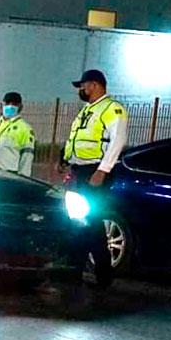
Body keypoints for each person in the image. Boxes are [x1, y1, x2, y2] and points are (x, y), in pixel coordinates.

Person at [60, 69, 128, 287]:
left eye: (83, 85)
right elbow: (77, 139)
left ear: (95, 85)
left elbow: (118, 140)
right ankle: (75, 270)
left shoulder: (112, 109)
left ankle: (102, 275)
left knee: (91, 223)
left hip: (95, 172)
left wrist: (102, 171)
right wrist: (66, 160)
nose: (81, 89)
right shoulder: (87, 110)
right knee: (77, 221)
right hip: (80, 171)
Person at [0, 92, 36, 176]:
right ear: (2, 104)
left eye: (14, 104)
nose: (10, 106)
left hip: (9, 175)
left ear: (20, 107)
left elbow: (27, 158)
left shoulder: (25, 129)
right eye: (7, 103)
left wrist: (23, 178)